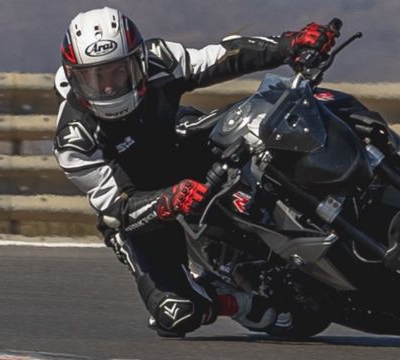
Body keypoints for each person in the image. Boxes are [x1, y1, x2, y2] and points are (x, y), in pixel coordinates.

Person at [52, 6, 337, 337]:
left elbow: (222, 57)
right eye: (94, 78)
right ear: (74, 77)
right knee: (177, 315)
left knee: (252, 125)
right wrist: (166, 201)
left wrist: (291, 44)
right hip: (141, 214)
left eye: (118, 72)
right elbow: (117, 209)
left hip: (177, 145)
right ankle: (240, 302)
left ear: (139, 61)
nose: (108, 88)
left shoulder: (158, 59)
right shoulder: (74, 139)